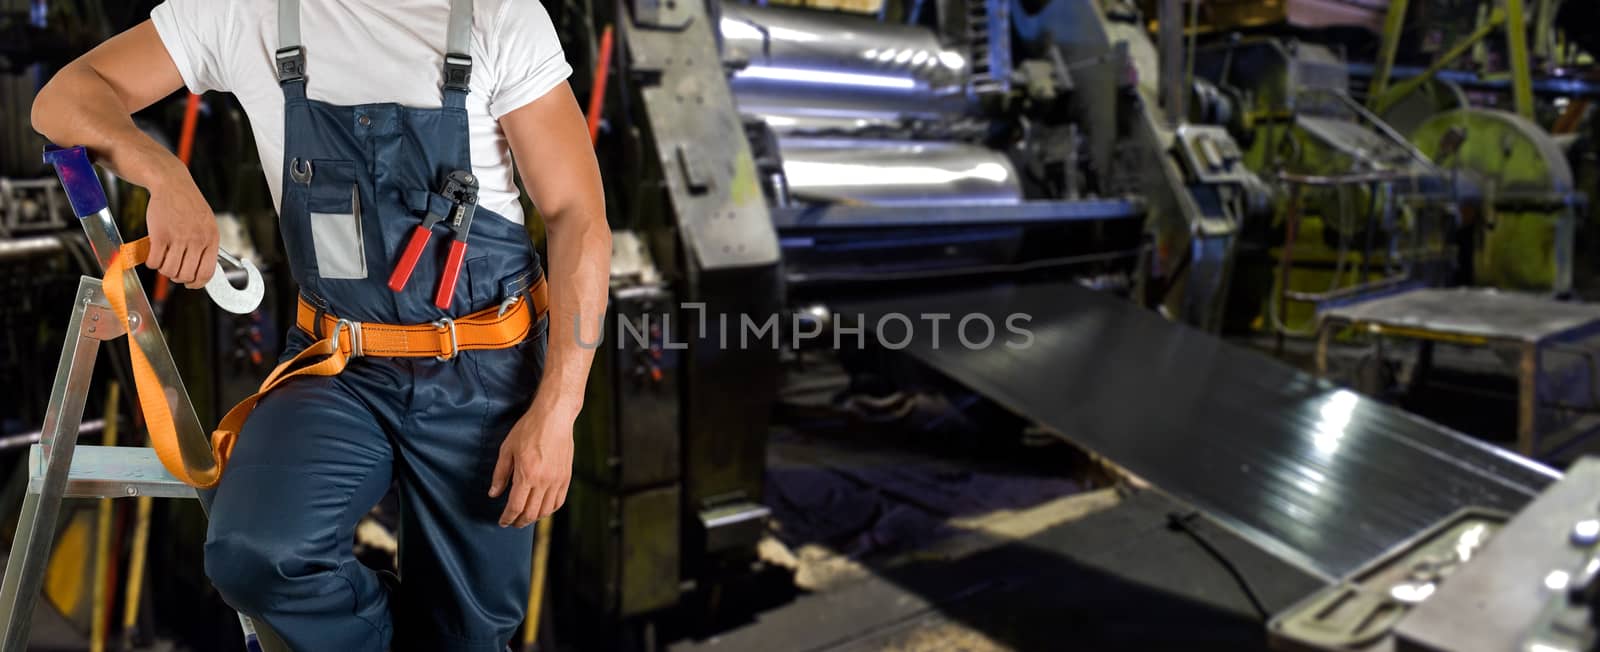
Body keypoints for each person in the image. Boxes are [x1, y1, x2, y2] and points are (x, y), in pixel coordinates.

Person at [30, 0, 611, 649]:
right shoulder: (243, 13)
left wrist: (557, 412)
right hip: (337, 364)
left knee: (469, 634)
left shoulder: (496, 15)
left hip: (483, 371)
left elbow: (577, 216)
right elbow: (66, 97)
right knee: (256, 555)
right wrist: (163, 174)